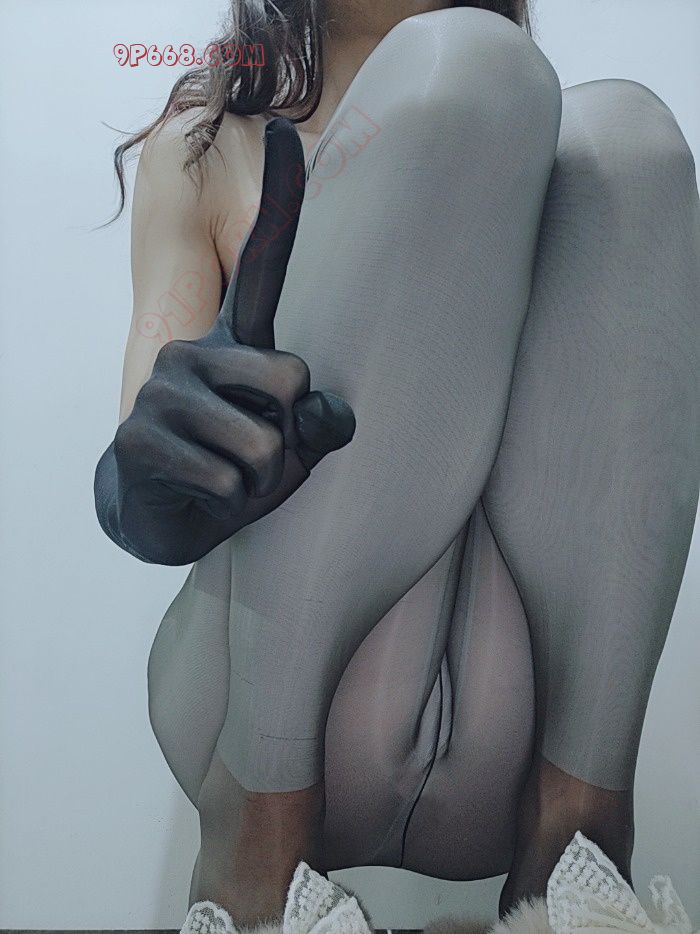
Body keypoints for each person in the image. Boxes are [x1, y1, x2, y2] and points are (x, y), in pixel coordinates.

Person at [94, 0, 700, 928]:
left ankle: (578, 838)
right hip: (258, 695)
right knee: (471, 76)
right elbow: (148, 417)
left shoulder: (579, 177)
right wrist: (144, 480)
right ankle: (256, 829)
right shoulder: (212, 145)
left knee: (628, 142)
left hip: (512, 715)